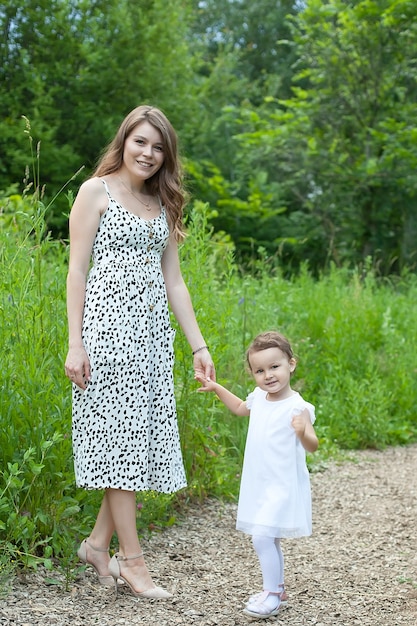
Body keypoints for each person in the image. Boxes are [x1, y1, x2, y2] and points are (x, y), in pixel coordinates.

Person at [64, 105, 215, 599]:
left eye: (158, 147)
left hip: (151, 343)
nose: (148, 154)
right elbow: (77, 272)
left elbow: (175, 280)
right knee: (121, 448)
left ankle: (96, 544)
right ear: (124, 140)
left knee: (135, 448)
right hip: (106, 342)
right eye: (141, 142)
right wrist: (74, 343)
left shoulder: (163, 203)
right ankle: (134, 563)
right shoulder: (96, 192)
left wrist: (198, 344)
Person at [196, 331, 318, 619]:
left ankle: (272, 595)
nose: (268, 375)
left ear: (291, 364)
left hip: (282, 484)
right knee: (270, 537)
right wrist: (216, 388)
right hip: (260, 482)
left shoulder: (297, 407)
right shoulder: (259, 397)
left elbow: (312, 444)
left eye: (274, 367)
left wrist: (302, 431)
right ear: (253, 374)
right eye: (259, 370)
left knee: (262, 537)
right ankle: (278, 587)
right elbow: (240, 408)